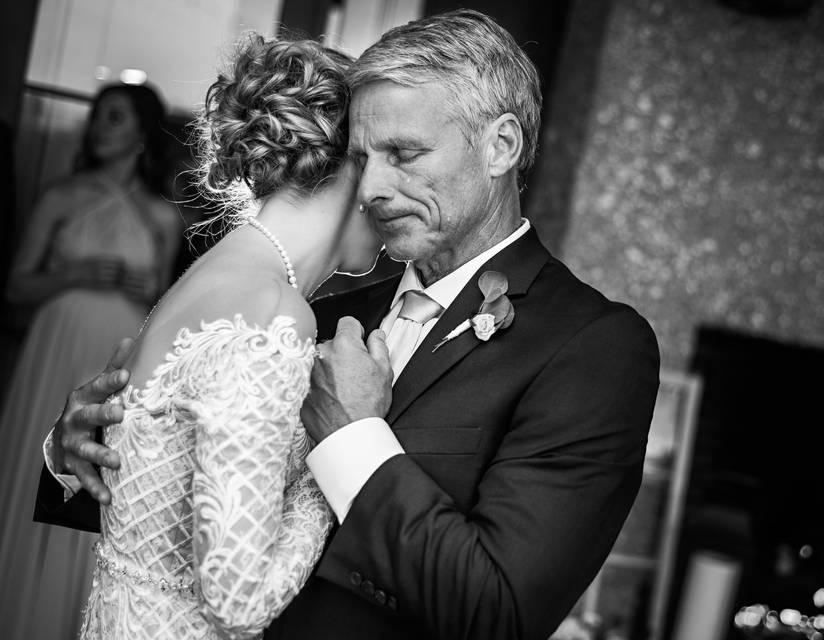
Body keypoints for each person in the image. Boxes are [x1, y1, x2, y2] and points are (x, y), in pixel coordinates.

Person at [38, 10, 661, 640]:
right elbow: (187, 531)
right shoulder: (319, 316)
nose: (374, 187)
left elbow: (497, 611)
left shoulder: (594, 348)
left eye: (405, 153)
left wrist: (355, 437)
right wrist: (85, 455)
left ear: (501, 146)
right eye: (361, 157)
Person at [61, 36, 379, 638]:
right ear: (351, 162)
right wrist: (334, 451)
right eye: (386, 154)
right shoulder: (273, 313)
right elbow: (238, 602)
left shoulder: (205, 281)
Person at [0, 82, 181, 638]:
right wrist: (78, 274)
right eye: (98, 116)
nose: (100, 126)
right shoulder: (62, 197)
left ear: (142, 134)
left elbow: (166, 309)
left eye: (115, 117)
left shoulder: (163, 217)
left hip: (115, 357)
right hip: (55, 348)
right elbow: (14, 286)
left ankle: (64, 611)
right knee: (43, 452)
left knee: (94, 480)